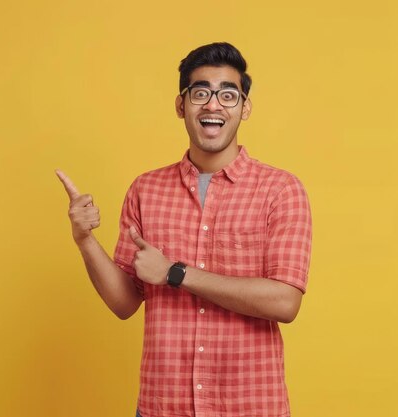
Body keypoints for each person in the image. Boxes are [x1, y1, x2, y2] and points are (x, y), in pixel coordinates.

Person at [56, 42, 312, 417]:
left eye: (228, 94)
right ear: (181, 105)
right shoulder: (146, 190)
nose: (213, 105)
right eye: (201, 93)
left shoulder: (281, 190)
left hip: (250, 407)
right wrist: (84, 240)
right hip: (164, 406)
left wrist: (176, 273)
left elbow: (285, 302)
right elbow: (125, 303)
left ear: (245, 108)